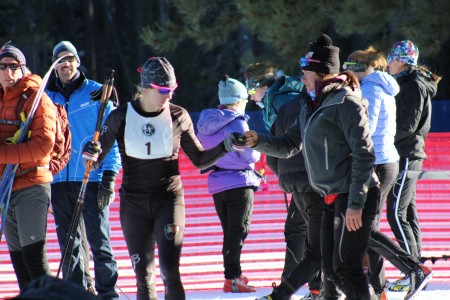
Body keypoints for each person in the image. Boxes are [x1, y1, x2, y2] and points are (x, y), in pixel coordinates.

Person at [242, 33, 379, 300]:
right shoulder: (310, 105)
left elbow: (364, 154)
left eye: (307, 73)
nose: (302, 78)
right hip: (327, 196)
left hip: (352, 194)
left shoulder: (345, 102)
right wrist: (258, 141)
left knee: (346, 268)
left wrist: (355, 204)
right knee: (328, 268)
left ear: (324, 74)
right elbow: (289, 144)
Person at [82, 57, 230, 300]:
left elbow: (201, 160)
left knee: (170, 271)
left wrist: (226, 146)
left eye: (173, 90)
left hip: (168, 199)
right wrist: (91, 151)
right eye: (163, 90)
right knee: (144, 277)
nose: (169, 95)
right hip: (133, 204)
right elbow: (96, 159)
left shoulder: (178, 115)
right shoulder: (121, 116)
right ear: (146, 87)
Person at [345, 47, 433, 299]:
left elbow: (366, 131)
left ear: (358, 69)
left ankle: (414, 269)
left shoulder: (371, 89)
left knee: (366, 228)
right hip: (383, 161)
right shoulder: (378, 86)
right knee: (368, 227)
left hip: (377, 163)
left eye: (348, 69)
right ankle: (380, 287)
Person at [45, 41, 121, 299]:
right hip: (57, 180)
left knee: (99, 242)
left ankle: (108, 293)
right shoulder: (44, 97)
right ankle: (78, 292)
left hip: (91, 177)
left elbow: (111, 138)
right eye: (60, 60)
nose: (65, 65)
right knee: (69, 245)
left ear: (78, 61)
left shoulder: (97, 92)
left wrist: (109, 176)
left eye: (70, 59)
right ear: (54, 66)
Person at [244, 63, 325, 300]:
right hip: (300, 176)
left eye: (251, 92)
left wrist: (286, 172)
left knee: (299, 232)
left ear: (261, 86)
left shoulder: (281, 100)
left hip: (306, 178)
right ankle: (310, 288)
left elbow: (292, 143)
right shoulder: (276, 100)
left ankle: (293, 289)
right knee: (304, 233)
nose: (251, 98)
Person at [196, 75, 261, 293]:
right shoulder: (239, 123)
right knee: (237, 232)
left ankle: (233, 274)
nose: (246, 103)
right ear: (239, 100)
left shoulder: (206, 121)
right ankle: (232, 278)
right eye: (245, 99)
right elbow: (250, 157)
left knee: (230, 232)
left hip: (217, 183)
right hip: (239, 183)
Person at [386, 40, 441, 292]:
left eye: (392, 58)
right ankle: (417, 270)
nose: (388, 63)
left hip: (406, 154)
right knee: (406, 212)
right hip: (408, 153)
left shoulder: (413, 85)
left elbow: (406, 125)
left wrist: (381, 138)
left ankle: (414, 271)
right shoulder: (408, 83)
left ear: (404, 62)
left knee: (396, 213)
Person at [0, 44, 55, 291]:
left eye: (14, 66)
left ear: (22, 68)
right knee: (19, 261)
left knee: (33, 256)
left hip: (31, 182)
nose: (8, 71)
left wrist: (3, 154)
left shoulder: (36, 97)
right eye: (3, 66)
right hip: (6, 189)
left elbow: (44, 144)